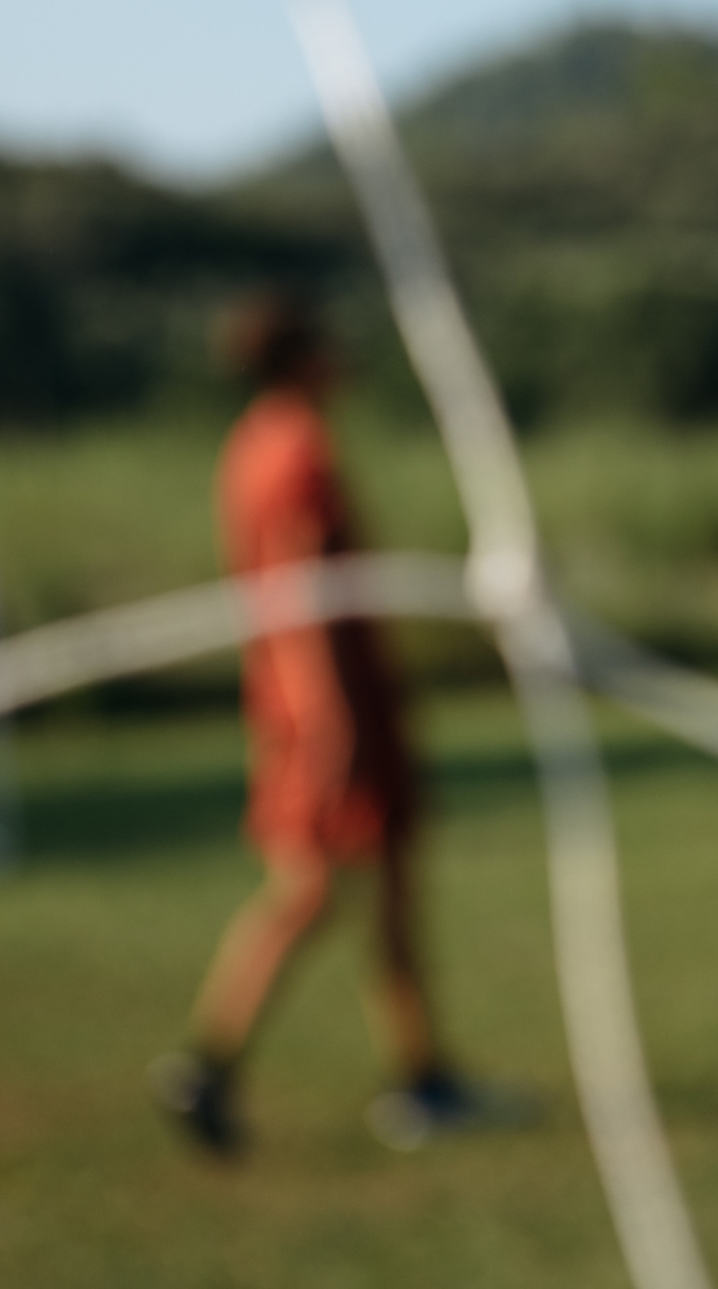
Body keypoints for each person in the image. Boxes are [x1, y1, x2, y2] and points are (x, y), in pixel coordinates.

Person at [151, 294, 480, 1156]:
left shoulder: (251, 442)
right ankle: (208, 1065)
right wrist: (332, 726)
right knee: (313, 892)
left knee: (382, 894)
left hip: (302, 702)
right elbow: (303, 603)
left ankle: (421, 1074)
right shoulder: (296, 449)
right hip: (330, 707)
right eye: (330, 338)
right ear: (301, 355)